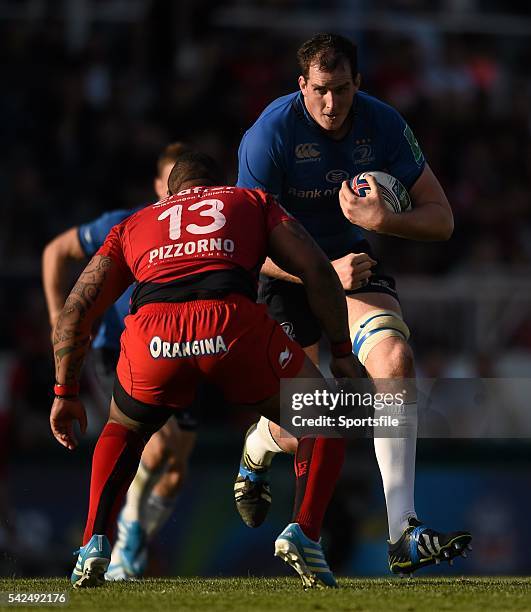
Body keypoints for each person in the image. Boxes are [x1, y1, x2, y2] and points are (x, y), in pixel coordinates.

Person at [49, 151, 360, 589]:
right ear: (218, 183)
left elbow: (76, 310)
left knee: (123, 428)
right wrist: (341, 348)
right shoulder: (247, 200)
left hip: (154, 338)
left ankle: (93, 543)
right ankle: (305, 533)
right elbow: (315, 268)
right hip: (229, 324)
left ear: (172, 191)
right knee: (319, 415)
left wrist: (65, 393)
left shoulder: (133, 224)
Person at [235, 32, 472, 574]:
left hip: (353, 269)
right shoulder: (269, 134)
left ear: (357, 83)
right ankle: (260, 442)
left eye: (342, 89)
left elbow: (443, 219)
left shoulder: (383, 123)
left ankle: (402, 533)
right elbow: (244, 248)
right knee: (307, 419)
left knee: (395, 361)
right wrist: (318, 269)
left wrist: (383, 221)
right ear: (302, 85)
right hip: (287, 277)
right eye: (320, 90)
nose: (331, 104)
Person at [42, 142, 197, 580]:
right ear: (156, 186)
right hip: (120, 351)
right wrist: (60, 319)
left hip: (182, 351)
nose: (179, 196)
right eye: (171, 185)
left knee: (174, 473)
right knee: (159, 446)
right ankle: (118, 540)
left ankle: (131, 543)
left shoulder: (208, 234)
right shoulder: (125, 224)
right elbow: (55, 252)